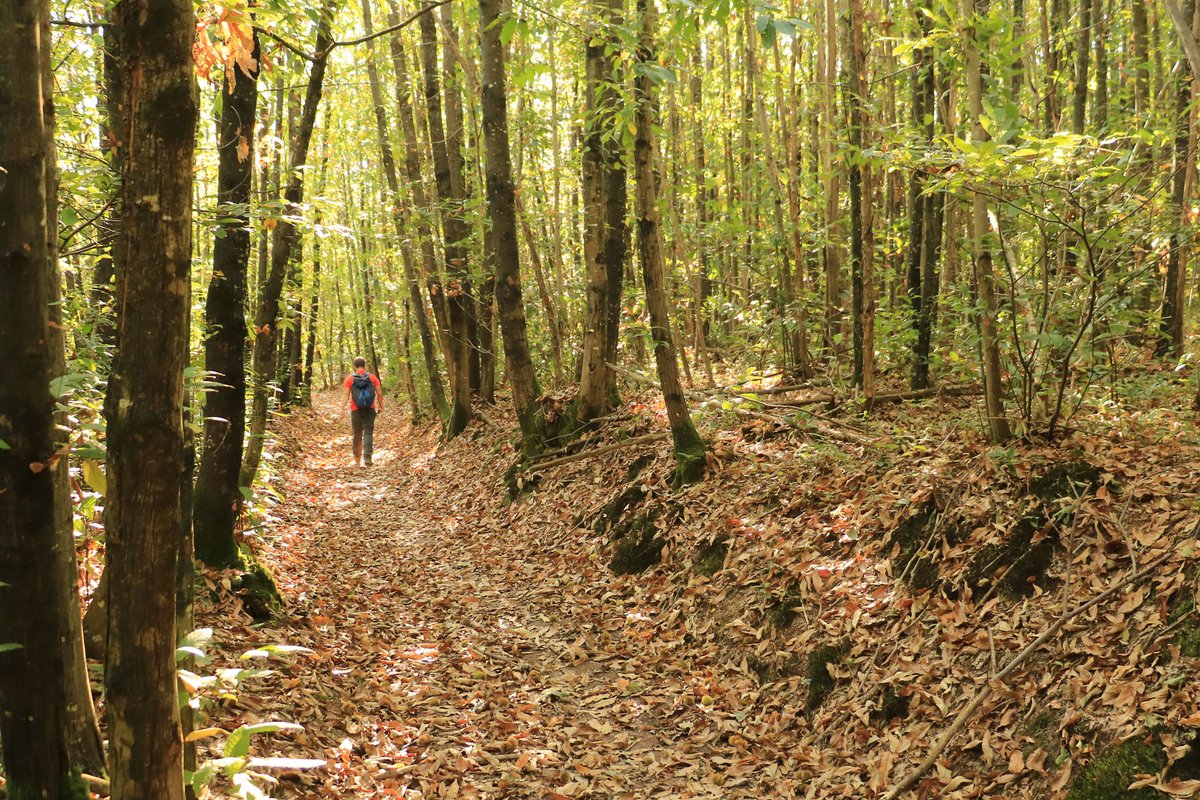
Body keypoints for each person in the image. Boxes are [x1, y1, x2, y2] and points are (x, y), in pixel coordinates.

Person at [343, 357, 382, 466]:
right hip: (370, 408)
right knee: (368, 432)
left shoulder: (349, 379)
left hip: (356, 410)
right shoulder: (373, 377)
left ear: (354, 366)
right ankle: (367, 457)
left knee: (357, 433)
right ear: (365, 365)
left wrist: (341, 408)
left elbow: (346, 394)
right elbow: (379, 393)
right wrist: (381, 406)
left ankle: (357, 459)